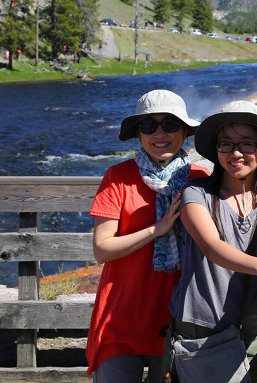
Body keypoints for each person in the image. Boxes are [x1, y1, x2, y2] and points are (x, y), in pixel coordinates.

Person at [165, 100, 257, 382]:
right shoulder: (197, 192)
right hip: (202, 329)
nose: (236, 153)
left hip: (252, 328)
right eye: (225, 144)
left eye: (247, 144)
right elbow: (211, 246)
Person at [86, 89, 210, 383]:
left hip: (177, 316)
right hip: (121, 315)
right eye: (148, 125)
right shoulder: (118, 176)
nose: (159, 133)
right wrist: (158, 228)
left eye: (169, 124)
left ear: (185, 131)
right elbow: (102, 249)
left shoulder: (201, 178)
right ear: (138, 133)